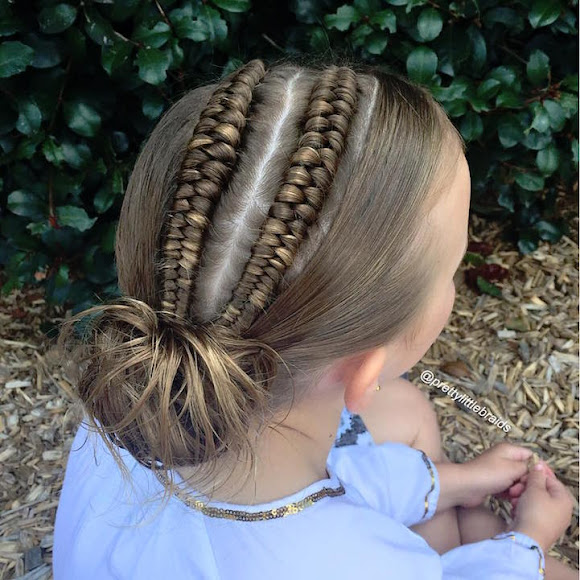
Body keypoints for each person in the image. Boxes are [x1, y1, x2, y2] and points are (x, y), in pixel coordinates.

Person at [52, 57, 574, 579]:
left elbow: (344, 475)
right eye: (454, 269)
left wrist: (460, 481)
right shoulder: (365, 567)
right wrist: (526, 544)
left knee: (408, 409)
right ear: (365, 369)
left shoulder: (137, 395)